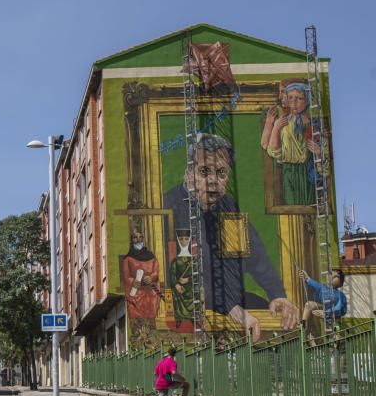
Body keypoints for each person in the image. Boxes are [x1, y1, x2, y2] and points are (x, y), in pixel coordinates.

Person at [163, 133, 298, 340]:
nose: (213, 181)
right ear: (189, 174)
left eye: (221, 173)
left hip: (229, 299)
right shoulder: (170, 208)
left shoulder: (228, 208)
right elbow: (184, 276)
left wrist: (277, 294)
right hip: (188, 306)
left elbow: (257, 257)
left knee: (281, 325)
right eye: (204, 171)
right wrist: (232, 309)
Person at [261, 81, 319, 206]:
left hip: (306, 174)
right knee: (292, 205)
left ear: (307, 101)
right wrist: (275, 128)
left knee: (307, 207)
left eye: (299, 98)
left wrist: (318, 152)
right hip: (288, 172)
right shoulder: (282, 123)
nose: (294, 102)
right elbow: (273, 151)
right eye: (290, 98)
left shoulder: (313, 125)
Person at [122, 229, 161, 321]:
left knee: (151, 317)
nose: (138, 239)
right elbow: (126, 277)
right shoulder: (127, 259)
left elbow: (156, 271)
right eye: (135, 237)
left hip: (150, 292)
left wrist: (151, 277)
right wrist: (133, 281)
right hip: (136, 293)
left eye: (140, 237)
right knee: (137, 319)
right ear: (132, 240)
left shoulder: (151, 256)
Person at [299, 268, 347, 336]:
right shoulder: (323, 288)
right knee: (309, 305)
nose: (330, 277)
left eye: (334, 276)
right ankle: (303, 326)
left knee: (332, 331)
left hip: (333, 317)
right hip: (323, 311)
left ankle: (335, 337)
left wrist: (327, 312)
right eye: (329, 275)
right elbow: (311, 282)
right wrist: (306, 277)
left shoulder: (340, 295)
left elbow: (340, 309)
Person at [170, 230, 194, 329]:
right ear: (178, 240)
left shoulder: (194, 260)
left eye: (186, 239)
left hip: (190, 287)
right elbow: (172, 274)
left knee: (195, 293)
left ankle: (193, 318)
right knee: (177, 296)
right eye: (181, 239)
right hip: (179, 287)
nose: (184, 241)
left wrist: (188, 280)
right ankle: (179, 318)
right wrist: (176, 285)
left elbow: (197, 275)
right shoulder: (175, 260)